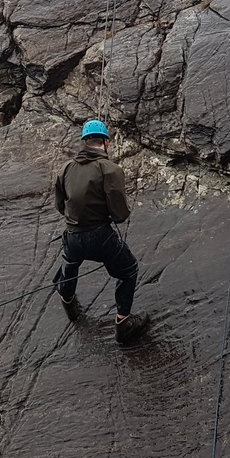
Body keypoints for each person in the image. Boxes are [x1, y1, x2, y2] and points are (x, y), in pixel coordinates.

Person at [53, 120, 149, 344]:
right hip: (101, 238)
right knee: (128, 270)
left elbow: (60, 206)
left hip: (73, 236)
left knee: (69, 265)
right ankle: (124, 323)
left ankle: (69, 303)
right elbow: (119, 215)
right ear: (106, 142)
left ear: (84, 141)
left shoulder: (65, 168)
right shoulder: (111, 169)